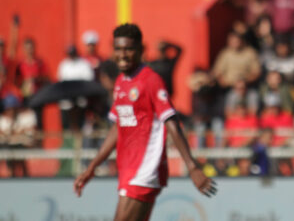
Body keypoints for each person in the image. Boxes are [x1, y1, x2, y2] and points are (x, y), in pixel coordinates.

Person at [73, 24, 215, 220]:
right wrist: (92, 167)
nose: (122, 54)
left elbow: (171, 122)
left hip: (144, 170)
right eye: (118, 49)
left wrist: (192, 167)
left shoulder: (150, 80)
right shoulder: (121, 82)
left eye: (129, 49)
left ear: (141, 50)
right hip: (128, 170)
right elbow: (118, 127)